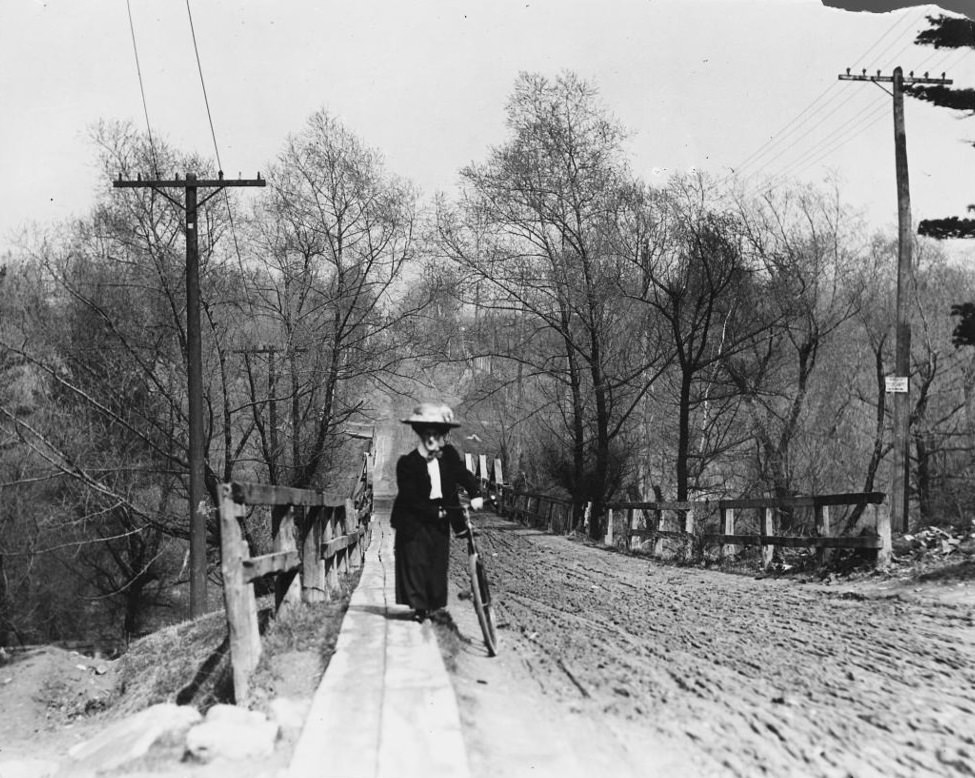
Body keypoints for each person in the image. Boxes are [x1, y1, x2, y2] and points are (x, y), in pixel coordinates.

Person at [390, 402, 484, 622]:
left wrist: (475, 493)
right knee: (416, 560)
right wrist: (435, 512)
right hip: (413, 520)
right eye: (427, 435)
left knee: (437, 561)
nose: (432, 439)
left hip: (441, 516)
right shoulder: (407, 463)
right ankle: (419, 608)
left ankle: (434, 606)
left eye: (437, 434)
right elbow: (410, 497)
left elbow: (462, 473)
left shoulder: (448, 455)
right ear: (421, 435)